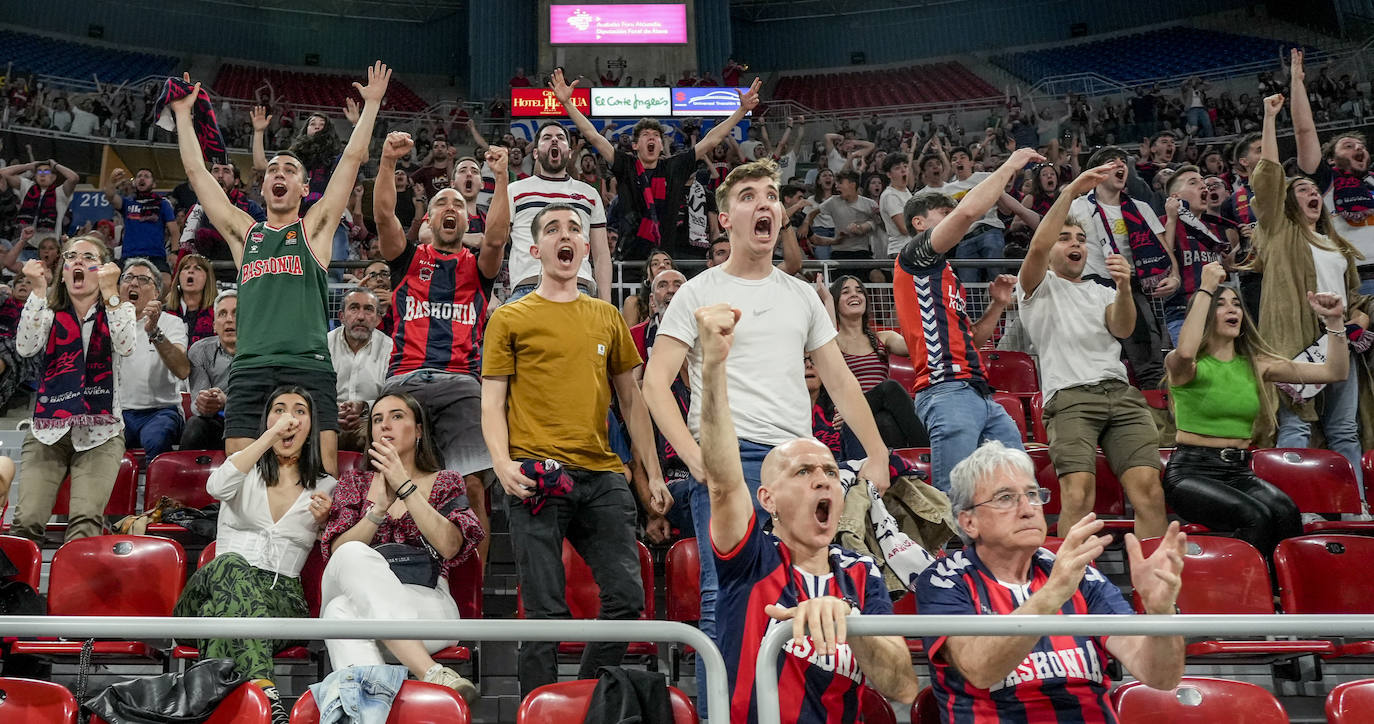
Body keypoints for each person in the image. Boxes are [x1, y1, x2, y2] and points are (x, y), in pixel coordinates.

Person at [643, 160, 891, 709]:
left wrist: (876, 450)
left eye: (772, 196)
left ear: (780, 215)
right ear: (725, 219)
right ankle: (724, 716)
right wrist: (698, 461)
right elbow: (654, 384)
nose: (764, 204)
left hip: (798, 463)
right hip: (732, 464)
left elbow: (840, 378)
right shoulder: (697, 292)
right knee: (721, 599)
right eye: (749, 195)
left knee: (808, 596)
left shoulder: (802, 294)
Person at [694, 301, 920, 723]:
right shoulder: (751, 560)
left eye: (830, 471)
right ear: (767, 500)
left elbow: (903, 686)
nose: (822, 480)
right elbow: (723, 485)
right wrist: (713, 369)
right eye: (803, 471)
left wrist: (849, 623)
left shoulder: (860, 573)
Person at [481, 202, 668, 695]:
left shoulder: (607, 317)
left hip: (603, 477)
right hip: (535, 477)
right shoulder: (509, 317)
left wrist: (653, 473)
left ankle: (580, 698)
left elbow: (632, 400)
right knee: (544, 613)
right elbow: (492, 400)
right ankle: (539, 710)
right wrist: (501, 463)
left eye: (574, 230)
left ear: (586, 247)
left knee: (627, 597)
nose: (565, 236)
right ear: (535, 248)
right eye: (553, 229)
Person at [173, 64, 391, 473]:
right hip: (251, 366)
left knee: (321, 477)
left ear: (305, 189)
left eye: (290, 170)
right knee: (238, 477)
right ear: (263, 185)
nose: (279, 174)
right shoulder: (245, 234)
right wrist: (184, 115)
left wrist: (373, 105)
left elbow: (353, 158)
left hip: (309, 365)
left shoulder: (317, 229)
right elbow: (197, 174)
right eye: (273, 169)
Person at [916, 441, 1186, 720]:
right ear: (969, 522)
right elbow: (981, 670)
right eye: (1005, 498)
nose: (1027, 509)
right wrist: (1054, 591)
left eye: (1033, 494)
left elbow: (1160, 677)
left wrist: (1160, 613)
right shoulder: (946, 579)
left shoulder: (1082, 576)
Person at [375, 134, 511, 568]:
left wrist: (503, 176)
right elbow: (382, 218)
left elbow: (497, 239)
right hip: (404, 384)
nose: (452, 209)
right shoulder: (408, 259)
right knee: (388, 486)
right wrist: (385, 161)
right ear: (429, 220)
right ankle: (393, 579)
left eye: (459, 205)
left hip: (461, 384)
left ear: (469, 220)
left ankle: (471, 602)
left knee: (471, 489)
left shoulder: (478, 267)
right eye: (443, 204)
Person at [1017, 164, 1167, 539]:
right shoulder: (1037, 287)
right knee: (1078, 495)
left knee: (1150, 491)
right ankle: (1071, 593)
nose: (1076, 244)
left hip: (1120, 395)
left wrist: (1124, 287)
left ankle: (1156, 594)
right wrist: (1070, 192)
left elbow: (1123, 328)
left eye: (1082, 239)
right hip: (1070, 398)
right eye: (1065, 238)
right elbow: (1037, 244)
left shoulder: (1102, 290)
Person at [173, 386, 335, 724]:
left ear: (311, 425)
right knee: (230, 564)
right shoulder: (244, 471)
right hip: (216, 581)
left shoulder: (326, 486)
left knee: (216, 618)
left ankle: (214, 706)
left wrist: (325, 525)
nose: (289, 418)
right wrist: (270, 436)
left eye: (299, 411)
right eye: (279, 409)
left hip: (282, 599)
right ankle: (264, 690)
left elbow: (335, 551)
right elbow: (215, 488)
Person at [1164, 262, 1347, 557]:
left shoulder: (1256, 363)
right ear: (1206, 315)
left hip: (1237, 471)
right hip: (1190, 473)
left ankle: (1285, 593)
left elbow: (1333, 372)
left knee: (1286, 512)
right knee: (1255, 516)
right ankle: (1250, 596)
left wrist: (1335, 322)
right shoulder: (1185, 366)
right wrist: (1206, 287)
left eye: (1236, 304)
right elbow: (1186, 350)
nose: (1232, 309)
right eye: (1220, 305)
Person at [319, 392, 484, 703]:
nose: (385, 425)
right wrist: (376, 511)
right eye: (377, 419)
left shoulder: (447, 481)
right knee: (351, 554)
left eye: (397, 416)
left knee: (339, 613)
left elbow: (450, 547)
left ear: (418, 430)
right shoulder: (353, 484)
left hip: (428, 601)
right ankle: (432, 671)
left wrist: (406, 488)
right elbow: (336, 553)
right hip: (358, 591)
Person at [894, 148, 1040, 495]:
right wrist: (1008, 165)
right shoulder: (915, 256)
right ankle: (947, 551)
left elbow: (973, 339)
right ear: (919, 223)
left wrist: (997, 306)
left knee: (1019, 484)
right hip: (945, 390)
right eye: (942, 213)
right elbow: (969, 211)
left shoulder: (944, 273)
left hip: (978, 392)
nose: (953, 218)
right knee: (954, 499)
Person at [1252, 91, 1372, 512]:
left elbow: (1357, 295)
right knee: (1295, 427)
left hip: (1337, 340)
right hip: (1293, 341)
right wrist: (1270, 119)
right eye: (1300, 188)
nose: (1310, 192)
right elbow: (1267, 179)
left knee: (1345, 430)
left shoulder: (1336, 241)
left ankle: (1352, 506)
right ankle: (1296, 510)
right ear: (1288, 201)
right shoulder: (1277, 231)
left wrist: (1357, 319)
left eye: (1312, 188)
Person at [552, 68, 761, 260]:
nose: (651, 138)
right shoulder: (626, 165)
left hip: (665, 257)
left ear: (662, 144)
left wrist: (741, 111)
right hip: (631, 256)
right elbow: (594, 136)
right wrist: (567, 104)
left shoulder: (674, 166)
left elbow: (712, 140)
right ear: (635, 145)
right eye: (645, 135)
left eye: (655, 135)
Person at [10, 236, 133, 542]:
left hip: (101, 433)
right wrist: (38, 290)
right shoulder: (48, 313)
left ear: (103, 270)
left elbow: (126, 345)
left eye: (88, 257)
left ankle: (74, 592)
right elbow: (25, 348)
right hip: (47, 431)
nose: (77, 261)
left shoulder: (120, 309)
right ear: (64, 272)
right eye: (71, 257)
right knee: (26, 521)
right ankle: (15, 591)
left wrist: (110, 293)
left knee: (84, 523)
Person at [1068, 146, 1180, 389]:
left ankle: (1154, 414)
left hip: (1130, 289)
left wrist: (1175, 277)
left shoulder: (1140, 208)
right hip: (1091, 290)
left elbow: (1163, 250)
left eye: (1123, 162)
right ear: (1097, 173)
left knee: (1148, 359)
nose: (1120, 166)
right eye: (1111, 162)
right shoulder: (1076, 207)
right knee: (1100, 359)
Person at [1291, 48, 1374, 296]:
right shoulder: (1326, 182)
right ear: (1331, 159)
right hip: (1354, 281)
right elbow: (1304, 132)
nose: (1358, 148)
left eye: (1361, 146)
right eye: (1348, 146)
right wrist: (1296, 82)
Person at [816, 275, 929, 453]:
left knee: (885, 419)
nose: (854, 295)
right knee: (889, 388)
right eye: (846, 292)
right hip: (850, 416)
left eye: (859, 291)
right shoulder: (833, 342)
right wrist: (827, 300)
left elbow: (916, 347)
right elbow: (825, 342)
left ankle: (912, 465)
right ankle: (926, 450)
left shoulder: (884, 338)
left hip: (880, 416)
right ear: (837, 302)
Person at [504, 121, 612, 302]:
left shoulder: (589, 194)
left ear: (570, 153)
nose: (554, 140)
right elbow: (497, 244)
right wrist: (489, 292)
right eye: (547, 138)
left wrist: (606, 302)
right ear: (536, 153)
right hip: (527, 289)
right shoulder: (514, 190)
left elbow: (601, 254)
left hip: (579, 288)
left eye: (560, 138)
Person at [118, 257, 191, 460]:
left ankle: (159, 492)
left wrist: (154, 331)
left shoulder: (171, 323)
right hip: (118, 413)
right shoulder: (107, 323)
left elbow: (182, 369)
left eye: (142, 279)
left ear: (157, 293)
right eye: (128, 278)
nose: (133, 283)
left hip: (161, 411)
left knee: (157, 437)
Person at [1160, 166, 1234, 343]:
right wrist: (1171, 220)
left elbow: (1229, 268)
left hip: (1217, 311)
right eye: (1193, 183)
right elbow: (1163, 265)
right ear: (1175, 197)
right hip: (1183, 313)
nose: (1204, 187)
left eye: (1203, 182)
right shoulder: (1163, 222)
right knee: (1192, 368)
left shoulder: (1215, 229)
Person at [179, 159, 267, 283]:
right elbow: (187, 243)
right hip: (206, 275)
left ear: (236, 181)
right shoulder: (198, 209)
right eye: (216, 171)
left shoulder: (251, 207)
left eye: (226, 171)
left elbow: (264, 239)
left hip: (243, 272)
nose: (220, 175)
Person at [329, 288, 393, 453]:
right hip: (328, 417)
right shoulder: (324, 345)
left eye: (368, 309)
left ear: (378, 319)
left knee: (380, 431)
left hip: (370, 418)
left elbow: (393, 397)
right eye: (354, 308)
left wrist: (365, 407)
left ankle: (373, 479)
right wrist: (332, 410)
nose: (361, 317)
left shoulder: (391, 349)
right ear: (341, 316)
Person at [183, 290, 237, 450]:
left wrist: (226, 402)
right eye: (222, 314)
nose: (229, 319)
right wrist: (205, 402)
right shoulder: (200, 351)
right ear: (214, 326)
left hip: (251, 421)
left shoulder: (261, 352)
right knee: (194, 426)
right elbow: (197, 405)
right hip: (215, 421)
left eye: (236, 313)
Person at [102, 168, 177, 279]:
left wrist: (174, 252)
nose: (142, 178)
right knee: (116, 285)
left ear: (154, 184)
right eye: (139, 176)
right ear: (135, 182)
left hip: (155, 256)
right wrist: (112, 181)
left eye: (146, 176)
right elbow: (110, 196)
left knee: (165, 282)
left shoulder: (163, 204)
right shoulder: (127, 203)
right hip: (129, 256)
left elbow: (174, 231)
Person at [809, 169, 881, 260]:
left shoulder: (870, 204)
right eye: (836, 183)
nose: (836, 186)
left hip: (862, 251)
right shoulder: (833, 201)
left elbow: (877, 225)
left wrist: (862, 228)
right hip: (839, 251)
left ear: (852, 185)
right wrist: (807, 229)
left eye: (840, 183)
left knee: (875, 274)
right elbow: (812, 213)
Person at [2, 158, 79, 237]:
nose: (42, 174)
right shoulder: (27, 186)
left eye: (46, 171)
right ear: (35, 176)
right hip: (25, 242)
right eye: (39, 171)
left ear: (53, 177)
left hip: (50, 244)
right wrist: (28, 166)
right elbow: (2, 174)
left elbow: (73, 178)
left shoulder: (61, 192)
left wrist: (55, 165)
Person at [165, 253, 217, 345]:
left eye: (197, 268)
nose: (191, 271)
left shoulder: (218, 311)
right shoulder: (164, 312)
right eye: (186, 268)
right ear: (179, 277)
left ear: (208, 278)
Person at [621, 249, 674, 328]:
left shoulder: (683, 300)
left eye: (667, 263)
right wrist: (651, 317)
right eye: (655, 264)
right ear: (647, 276)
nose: (662, 265)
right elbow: (629, 337)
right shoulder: (633, 302)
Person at [879, 153, 914, 256]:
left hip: (912, 248)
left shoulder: (906, 191)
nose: (903, 170)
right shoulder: (890, 196)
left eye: (905, 167)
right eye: (898, 168)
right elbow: (904, 228)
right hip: (901, 250)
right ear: (889, 174)